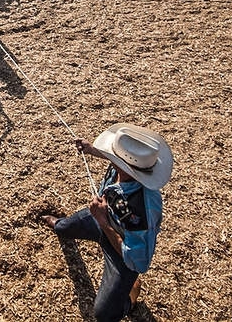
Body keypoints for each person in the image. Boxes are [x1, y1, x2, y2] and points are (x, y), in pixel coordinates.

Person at [42, 123, 173, 322]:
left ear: (123, 165)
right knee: (64, 228)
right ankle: (60, 225)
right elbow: (123, 162)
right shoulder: (132, 170)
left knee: (104, 315)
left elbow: (138, 260)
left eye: (113, 156)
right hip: (102, 218)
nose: (111, 158)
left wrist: (103, 222)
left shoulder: (142, 212)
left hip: (121, 253)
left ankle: (130, 296)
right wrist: (93, 150)